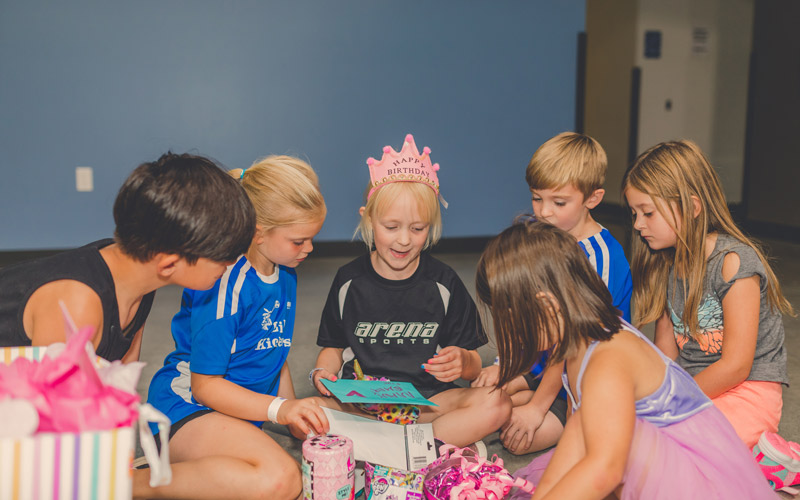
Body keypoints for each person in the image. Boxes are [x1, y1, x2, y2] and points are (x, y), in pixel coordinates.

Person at [478, 221, 774, 499]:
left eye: (507, 319)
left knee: (606, 439)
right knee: (586, 428)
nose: (511, 334)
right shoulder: (577, 349)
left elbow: (606, 469)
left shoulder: (608, 356)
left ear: (546, 305)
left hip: (702, 486)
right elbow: (576, 436)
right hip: (669, 473)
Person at [137, 156, 330, 500]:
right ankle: (128, 482)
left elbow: (272, 350)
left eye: (311, 239)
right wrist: (279, 409)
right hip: (187, 409)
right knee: (281, 480)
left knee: (332, 418)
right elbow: (205, 387)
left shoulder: (284, 271)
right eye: (299, 240)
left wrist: (291, 413)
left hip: (237, 411)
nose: (309, 249)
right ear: (257, 234)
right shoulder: (226, 284)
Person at [311, 134, 511, 448]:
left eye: (417, 229)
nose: (404, 240)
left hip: (426, 405)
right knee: (307, 413)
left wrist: (463, 362)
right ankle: (420, 448)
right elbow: (333, 348)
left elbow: (473, 364)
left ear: (430, 226)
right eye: (391, 227)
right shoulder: (347, 280)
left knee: (496, 402)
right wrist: (322, 371)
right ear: (368, 219)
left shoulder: (444, 283)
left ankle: (392, 448)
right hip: (362, 405)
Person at [0, 152, 255, 362]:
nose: (231, 263)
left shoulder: (139, 279)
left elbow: (122, 378)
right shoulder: (76, 303)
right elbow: (55, 412)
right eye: (224, 257)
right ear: (169, 263)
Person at [623, 140, 793, 449]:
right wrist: (647, 392)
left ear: (692, 207)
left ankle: (771, 456)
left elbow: (736, 366)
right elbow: (667, 355)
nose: (638, 225)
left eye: (647, 213)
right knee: (628, 432)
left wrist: (673, 400)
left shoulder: (733, 263)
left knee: (684, 447)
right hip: (694, 386)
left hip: (748, 391)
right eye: (634, 213)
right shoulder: (665, 264)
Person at [473, 132, 632, 456]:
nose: (544, 212)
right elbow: (523, 310)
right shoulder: (541, 233)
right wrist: (508, 365)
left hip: (583, 378)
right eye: (536, 198)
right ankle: (525, 389)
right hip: (544, 363)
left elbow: (576, 341)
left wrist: (537, 408)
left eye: (559, 203)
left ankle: (537, 401)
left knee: (519, 435)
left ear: (593, 198)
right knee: (488, 401)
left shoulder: (600, 257)